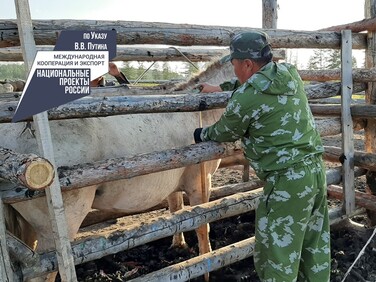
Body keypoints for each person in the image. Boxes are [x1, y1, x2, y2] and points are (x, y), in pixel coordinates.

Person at [193, 31, 331, 281]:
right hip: (314, 173)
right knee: (314, 248)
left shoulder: (246, 98)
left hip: (286, 184)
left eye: (235, 64)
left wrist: (200, 133)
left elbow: (224, 131)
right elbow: (257, 84)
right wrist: (219, 87)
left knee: (276, 255)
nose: (234, 70)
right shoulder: (288, 73)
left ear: (247, 63)